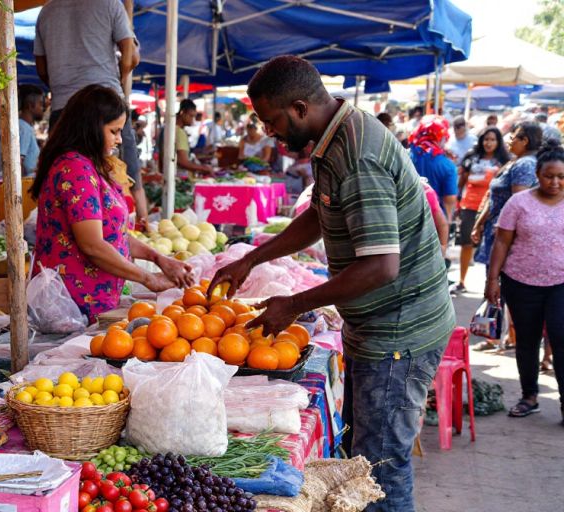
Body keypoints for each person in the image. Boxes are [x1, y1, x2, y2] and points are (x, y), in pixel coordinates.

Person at [209, 56, 453, 512]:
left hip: (400, 329)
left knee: (378, 466)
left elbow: (381, 266)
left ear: (299, 107)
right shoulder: (335, 137)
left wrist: (295, 304)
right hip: (379, 324)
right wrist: (252, 258)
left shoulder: (357, 153)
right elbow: (320, 216)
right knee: (363, 455)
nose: (269, 132)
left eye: (272, 121)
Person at [30, 85, 195, 323]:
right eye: (114, 131)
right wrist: (148, 278)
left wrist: (158, 258)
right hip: (72, 308)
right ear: (91, 127)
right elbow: (93, 245)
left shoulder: (90, 166)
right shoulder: (74, 168)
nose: (119, 139)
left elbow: (113, 233)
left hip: (92, 305)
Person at [34, 0, 148, 229]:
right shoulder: (110, 3)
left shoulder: (46, 11)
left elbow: (42, 69)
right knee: (127, 175)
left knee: (61, 177)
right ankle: (141, 227)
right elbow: (130, 55)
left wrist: (63, 88)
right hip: (105, 105)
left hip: (63, 107)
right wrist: (120, 81)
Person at [483, 140, 564, 422]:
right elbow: (501, 243)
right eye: (549, 176)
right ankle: (529, 396)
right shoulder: (519, 203)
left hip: (560, 284)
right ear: (538, 175)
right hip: (521, 282)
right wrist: (492, 280)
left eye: (561, 177)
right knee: (527, 341)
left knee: (560, 335)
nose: (555, 182)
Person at [473, 122, 541, 269]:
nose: (509, 141)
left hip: (506, 235)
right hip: (499, 231)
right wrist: (479, 223)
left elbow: (518, 205)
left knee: (498, 281)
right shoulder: (516, 161)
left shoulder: (525, 164)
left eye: (513, 137)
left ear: (525, 141)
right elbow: (492, 195)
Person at [455, 127, 509, 293]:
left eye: (493, 139)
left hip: (494, 209)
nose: (489, 143)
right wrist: (458, 202)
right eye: (486, 139)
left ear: (498, 142)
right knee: (466, 243)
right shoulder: (472, 157)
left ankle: (490, 282)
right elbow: (462, 180)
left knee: (493, 246)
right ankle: (462, 281)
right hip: (470, 206)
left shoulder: (504, 161)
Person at [408, 116, 458, 219]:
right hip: (434, 221)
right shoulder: (447, 165)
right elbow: (449, 201)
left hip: (405, 217)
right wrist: (447, 223)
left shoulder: (403, 155)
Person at [0, 84, 44, 177]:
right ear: (30, 106)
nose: (42, 108)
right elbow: (17, 164)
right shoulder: (23, 128)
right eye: (40, 104)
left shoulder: (15, 125)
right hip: (15, 184)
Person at [171, 99, 214, 176]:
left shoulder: (173, 129)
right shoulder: (179, 132)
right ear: (182, 113)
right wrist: (204, 168)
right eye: (191, 116)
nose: (192, 120)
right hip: (179, 175)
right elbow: (182, 161)